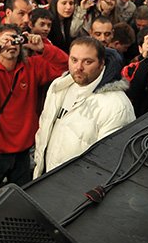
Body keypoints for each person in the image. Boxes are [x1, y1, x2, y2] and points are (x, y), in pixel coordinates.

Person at [0, 24, 68, 193]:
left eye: (14, 40)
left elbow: (65, 67)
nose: (11, 45)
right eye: (5, 41)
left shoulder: (31, 66)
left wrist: (43, 48)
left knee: (20, 199)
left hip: (23, 151)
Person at [33, 37, 134, 177]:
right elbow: (44, 128)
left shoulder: (117, 106)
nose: (78, 67)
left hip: (76, 189)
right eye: (74, 60)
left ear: (101, 64)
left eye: (88, 62)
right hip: (45, 177)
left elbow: (110, 163)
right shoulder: (59, 87)